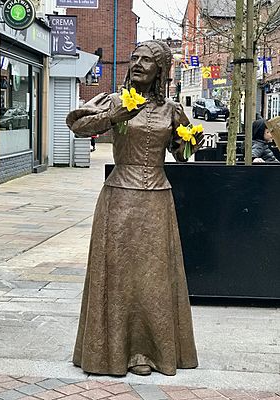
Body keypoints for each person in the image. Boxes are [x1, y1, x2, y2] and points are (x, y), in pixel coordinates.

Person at [66, 40, 204, 377]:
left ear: (160, 69)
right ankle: (113, 352)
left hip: (157, 197)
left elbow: (182, 155)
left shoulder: (171, 109)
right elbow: (77, 126)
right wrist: (116, 115)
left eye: (147, 60)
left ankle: (150, 352)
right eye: (135, 58)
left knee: (153, 277)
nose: (139, 64)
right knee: (119, 275)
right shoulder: (116, 100)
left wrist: (191, 141)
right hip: (120, 197)